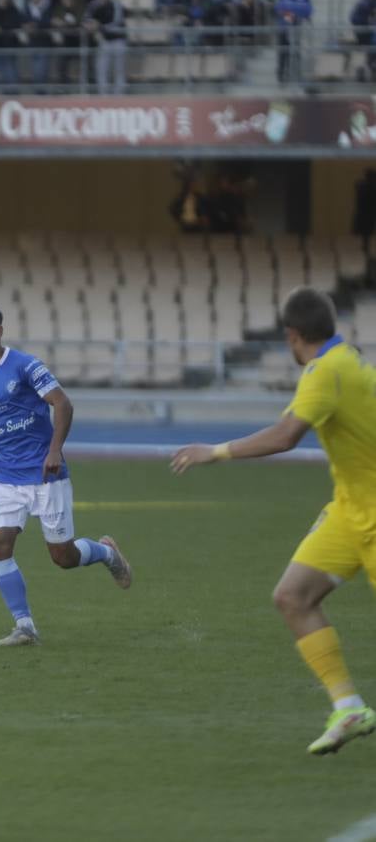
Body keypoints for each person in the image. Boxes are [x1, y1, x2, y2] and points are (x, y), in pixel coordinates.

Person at [171, 288, 376, 755]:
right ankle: (349, 708)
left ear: (290, 335)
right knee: (292, 595)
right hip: (351, 510)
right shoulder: (346, 358)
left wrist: (215, 452)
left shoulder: (325, 371)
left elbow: (286, 436)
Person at [0, 300, 131, 646]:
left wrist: (54, 451)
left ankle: (107, 553)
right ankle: (25, 626)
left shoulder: (25, 366)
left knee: (63, 557)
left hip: (46, 475)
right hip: (4, 477)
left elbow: (62, 403)